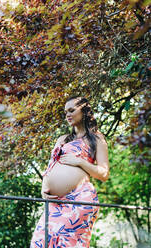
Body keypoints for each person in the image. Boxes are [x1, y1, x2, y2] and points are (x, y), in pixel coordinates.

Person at [30, 96, 109, 248]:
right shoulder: (62, 139)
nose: (68, 114)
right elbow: (50, 167)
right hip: (55, 202)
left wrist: (79, 161)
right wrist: (43, 189)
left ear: (85, 111)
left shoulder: (97, 139)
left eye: (72, 110)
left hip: (79, 199)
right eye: (66, 112)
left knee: (67, 244)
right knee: (39, 242)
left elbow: (104, 174)